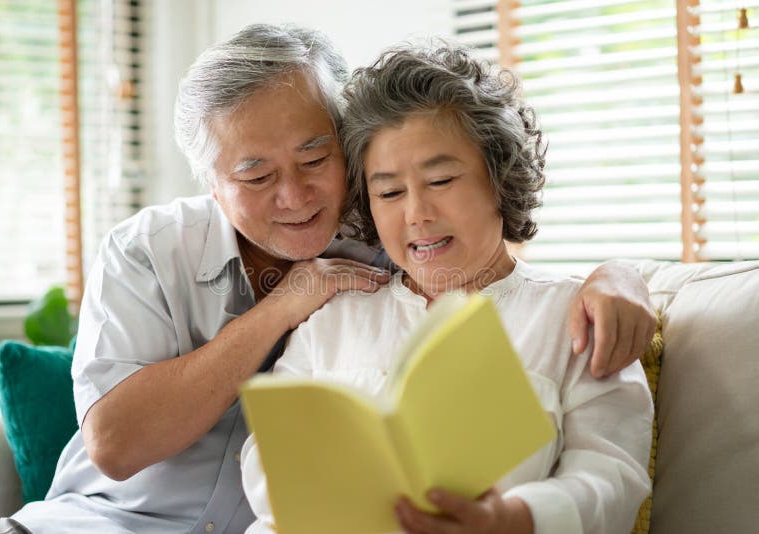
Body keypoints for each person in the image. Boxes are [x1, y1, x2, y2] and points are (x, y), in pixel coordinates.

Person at [0, 25, 654, 534]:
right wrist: (288, 305)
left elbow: (606, 465)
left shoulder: (408, 250)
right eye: (254, 176)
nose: (295, 196)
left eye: (314, 157)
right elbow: (128, 447)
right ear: (212, 186)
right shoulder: (158, 256)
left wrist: (622, 278)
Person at [240, 43, 653, 534]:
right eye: (389, 192)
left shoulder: (576, 317)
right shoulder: (333, 318)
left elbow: (612, 480)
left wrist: (512, 519)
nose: (416, 213)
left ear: (499, 178)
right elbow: (265, 462)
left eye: (440, 180)